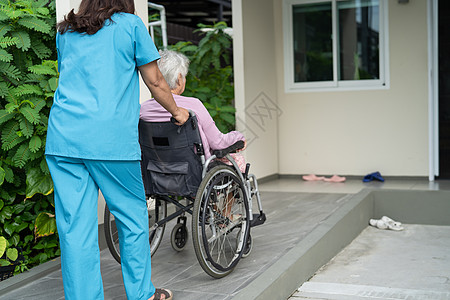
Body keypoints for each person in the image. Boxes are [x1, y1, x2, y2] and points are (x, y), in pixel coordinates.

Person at [45, 1, 188, 299]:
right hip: (110, 142)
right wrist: (176, 111)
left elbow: (70, 79)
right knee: (132, 219)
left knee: (74, 228)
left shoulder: (66, 31)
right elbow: (156, 81)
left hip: (64, 139)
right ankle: (141, 294)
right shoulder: (130, 25)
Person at [140, 50, 246, 172]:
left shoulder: (144, 109)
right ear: (179, 79)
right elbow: (218, 143)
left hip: (156, 171)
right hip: (192, 173)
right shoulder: (193, 105)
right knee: (237, 160)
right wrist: (239, 137)